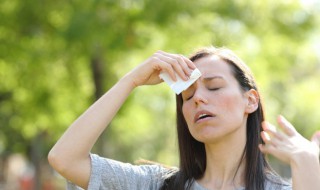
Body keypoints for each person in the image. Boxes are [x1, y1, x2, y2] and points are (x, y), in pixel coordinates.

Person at [48, 47, 320, 190]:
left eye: (213, 87)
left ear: (250, 100)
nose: (198, 99)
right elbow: (65, 159)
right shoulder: (156, 185)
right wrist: (131, 81)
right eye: (187, 97)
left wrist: (307, 162)